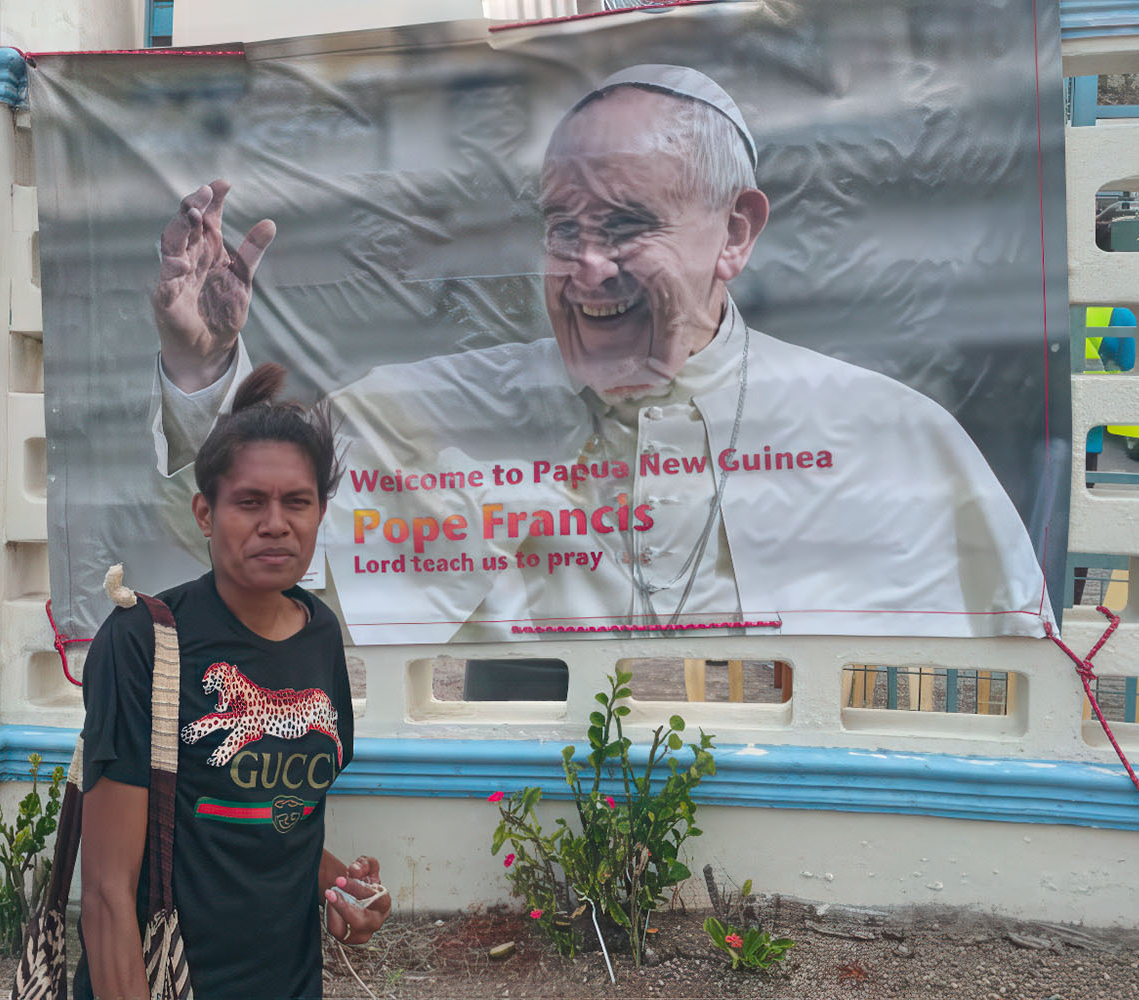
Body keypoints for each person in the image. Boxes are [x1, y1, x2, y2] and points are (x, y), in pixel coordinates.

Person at [146, 65, 1054, 642]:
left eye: (626, 227)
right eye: (561, 228)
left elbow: (1005, 690)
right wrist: (200, 368)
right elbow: (231, 528)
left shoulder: (890, 434)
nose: (586, 269)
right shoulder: (410, 416)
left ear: (734, 233)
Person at [76, 363, 390, 999]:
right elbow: (108, 889)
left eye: (296, 502)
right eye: (250, 501)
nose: (275, 522)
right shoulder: (143, 641)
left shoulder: (320, 632)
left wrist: (342, 891)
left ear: (320, 511)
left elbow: (279, 823)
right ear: (204, 512)